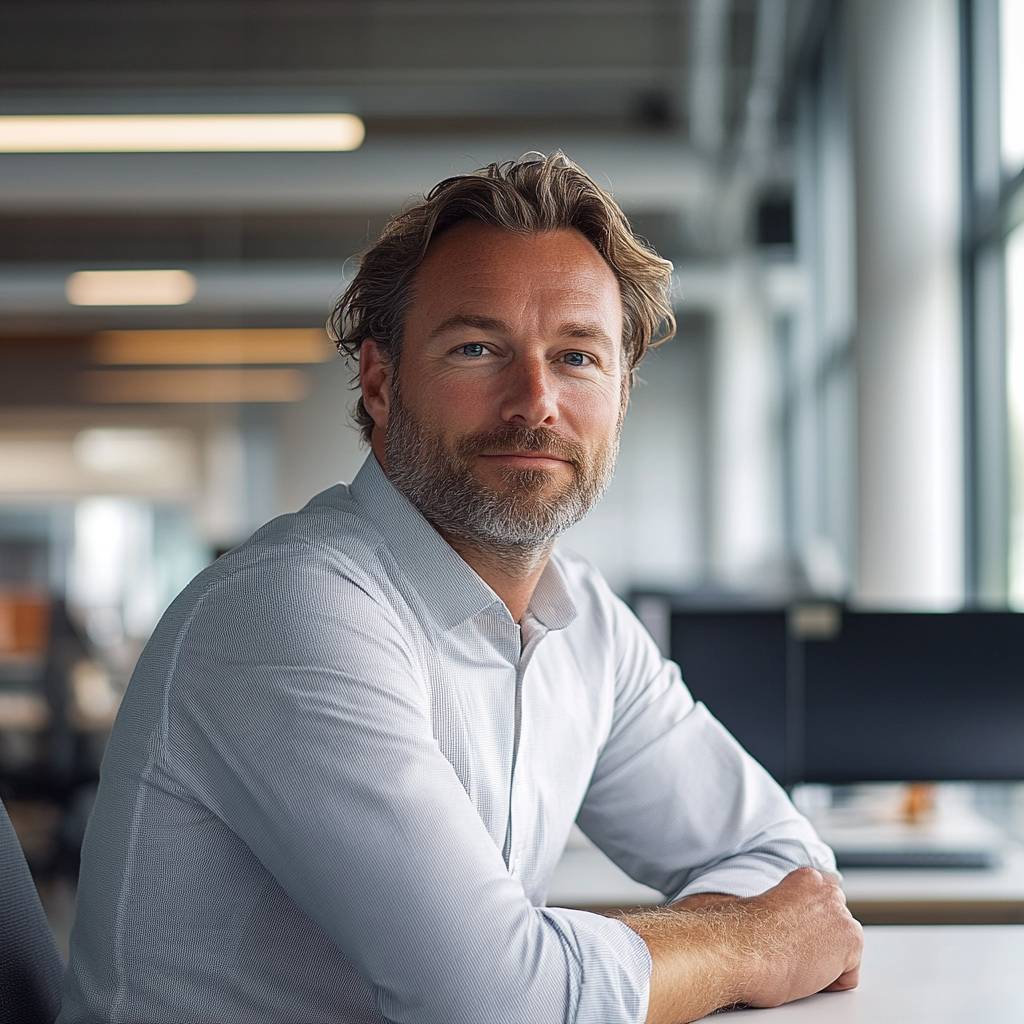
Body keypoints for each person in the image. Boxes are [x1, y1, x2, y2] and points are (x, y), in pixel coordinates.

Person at [58, 152, 862, 1024]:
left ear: (621, 397)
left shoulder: (586, 625)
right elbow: (499, 1004)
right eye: (477, 348)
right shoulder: (293, 612)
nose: (535, 401)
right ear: (379, 382)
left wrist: (586, 959)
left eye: (578, 357)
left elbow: (789, 868)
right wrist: (746, 942)